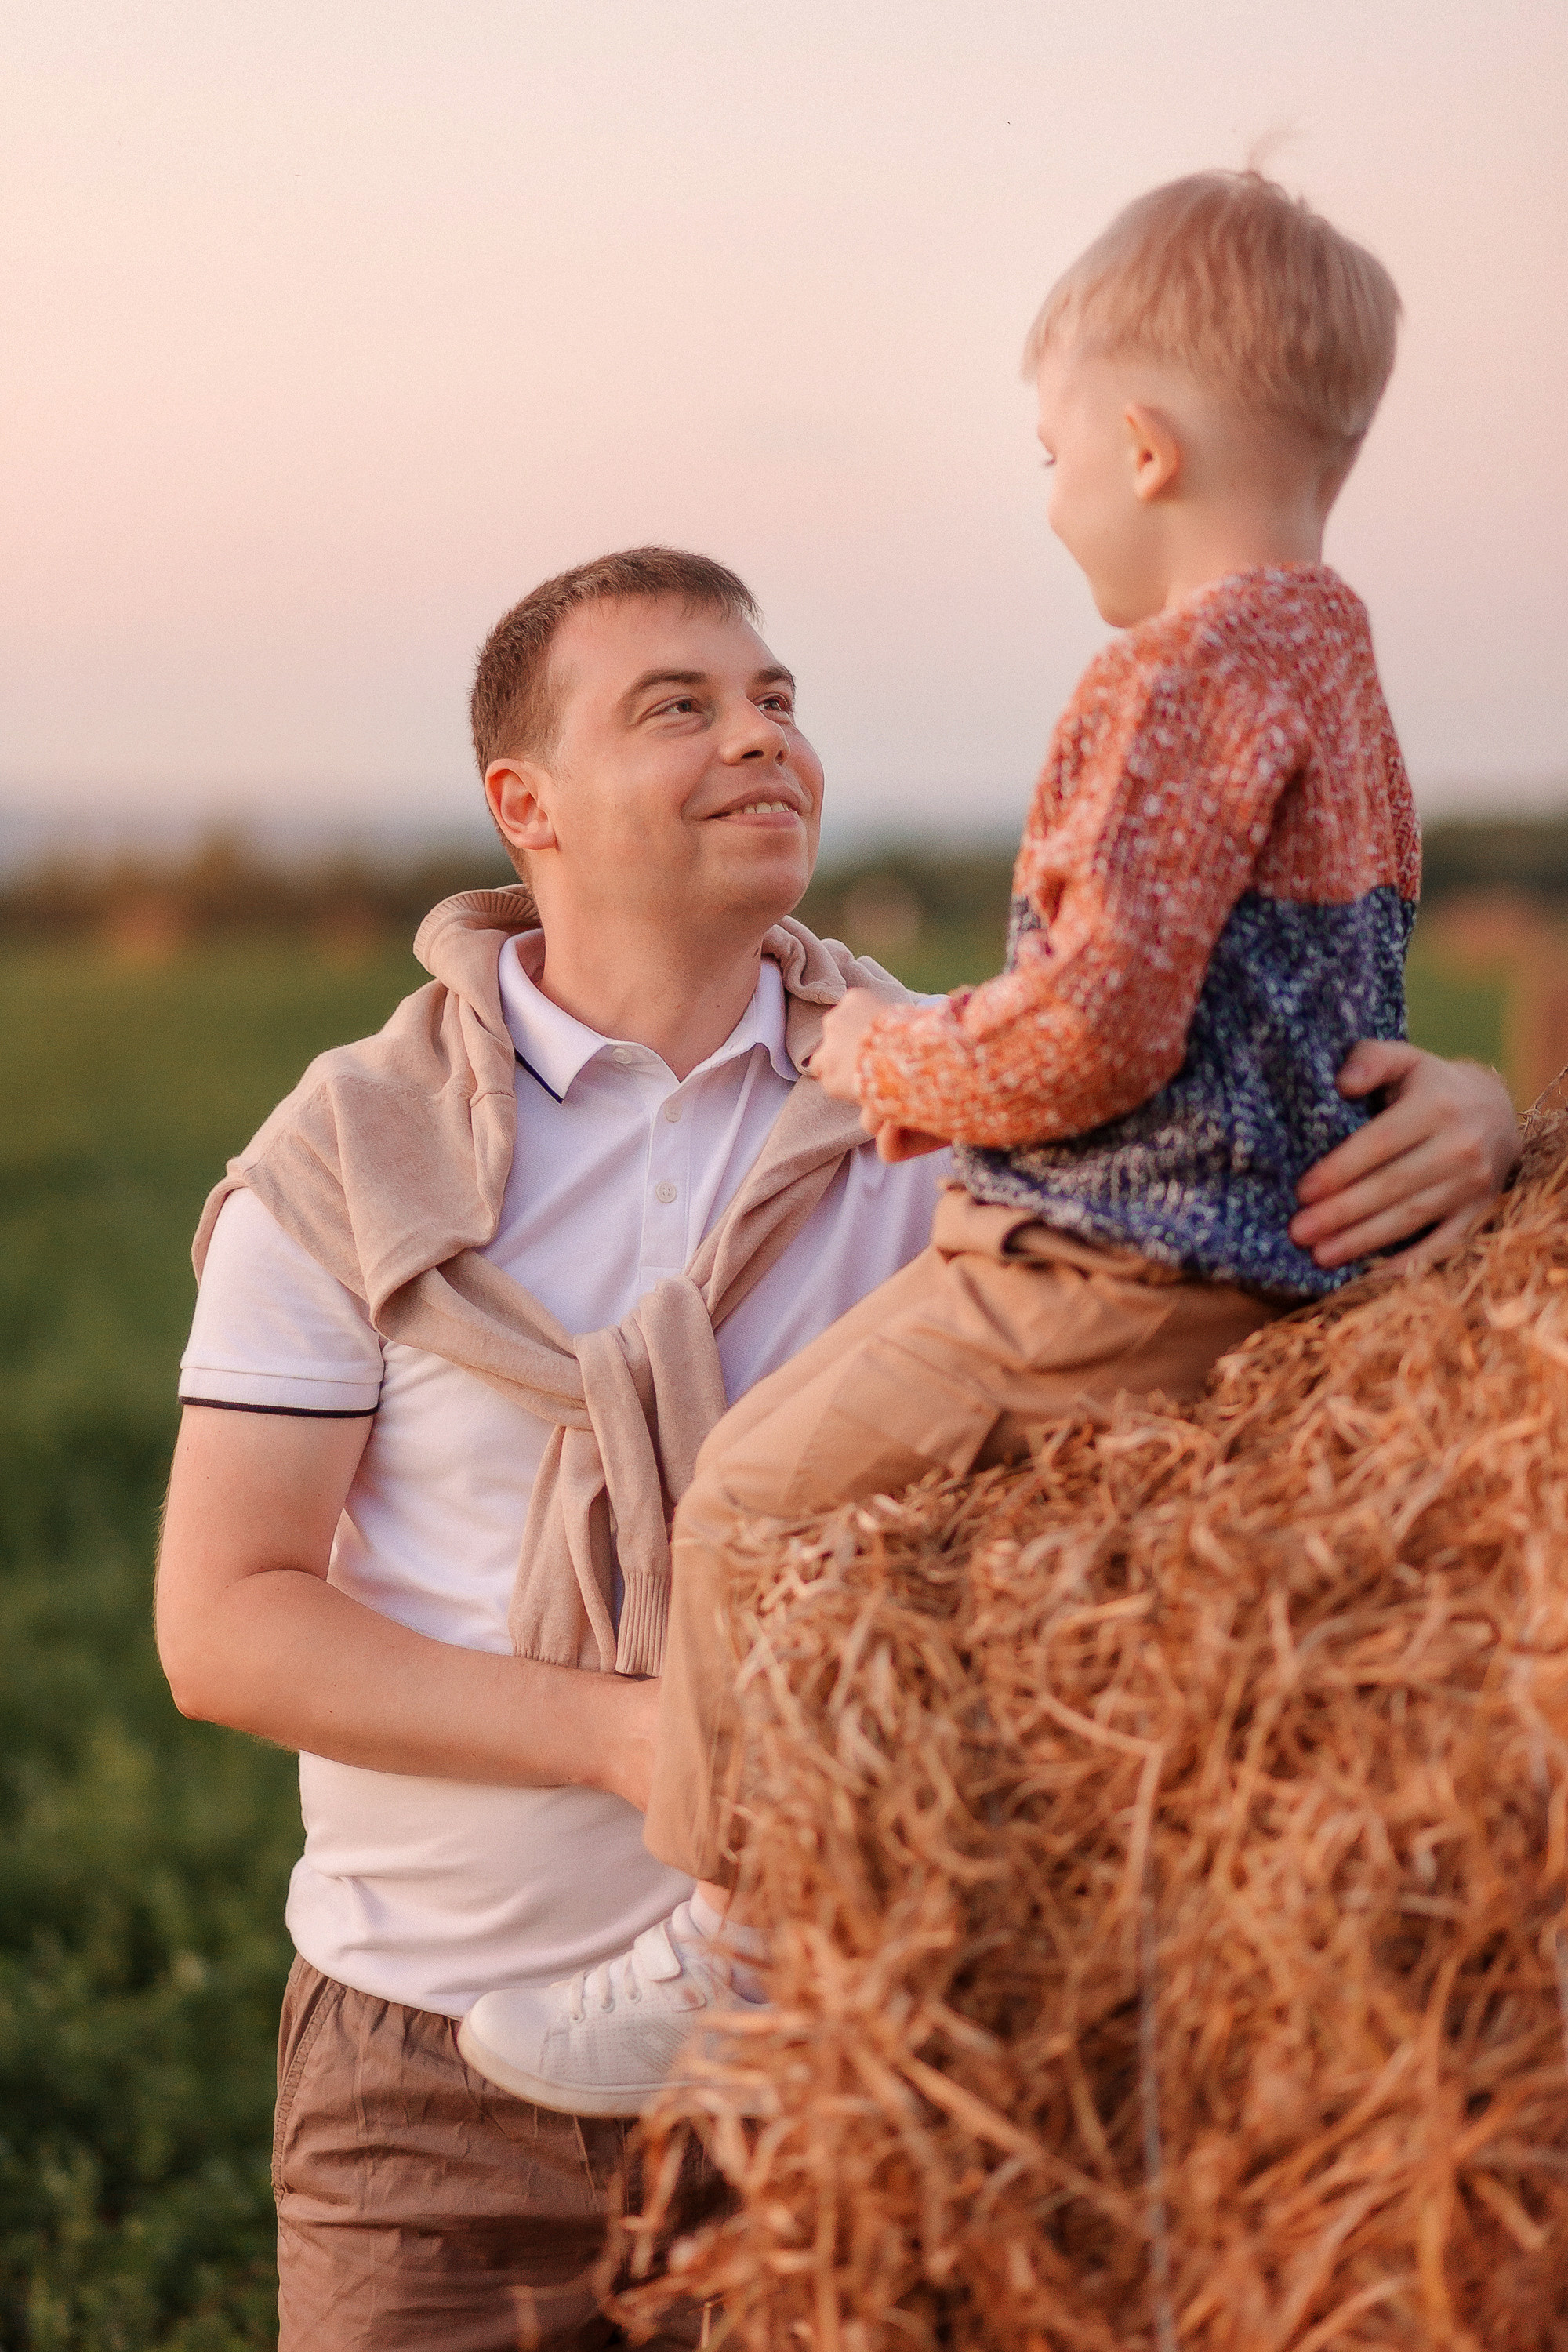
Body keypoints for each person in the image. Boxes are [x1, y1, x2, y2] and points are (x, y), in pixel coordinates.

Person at [157, 542, 1515, 2348]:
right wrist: (638, 1740)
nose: (760, 738)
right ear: (526, 805)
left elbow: (1235, 1251)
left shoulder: (952, 1103)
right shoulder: (350, 1155)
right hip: (432, 2088)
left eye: (776, 699)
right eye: (680, 706)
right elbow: (225, 1619)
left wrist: (1474, 1127)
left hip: (865, 2049)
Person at [459, 172, 1486, 2122]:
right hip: (1266, 1241)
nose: (1047, 501)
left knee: (751, 1502)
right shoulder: (1339, 663)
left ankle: (736, 1953)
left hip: (1116, 1255)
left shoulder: (1169, 675)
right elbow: (1326, 987)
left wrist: (892, 1060)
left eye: (1046, 456)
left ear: (1140, 446)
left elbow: (1100, 1024)